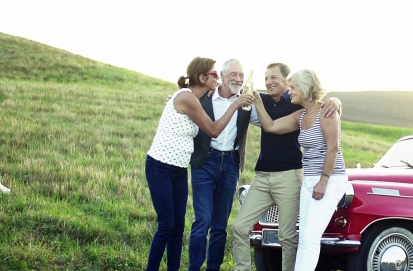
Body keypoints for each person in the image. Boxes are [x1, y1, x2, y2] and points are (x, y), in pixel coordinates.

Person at [145, 56, 253, 271]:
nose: (238, 79)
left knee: (177, 227)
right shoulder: (188, 97)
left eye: (242, 75)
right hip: (161, 166)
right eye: (214, 74)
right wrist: (235, 105)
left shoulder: (197, 97)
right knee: (168, 225)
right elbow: (212, 129)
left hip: (180, 169)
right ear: (203, 77)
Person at [231, 63, 341, 271]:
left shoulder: (298, 104)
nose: (269, 82)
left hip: (289, 176)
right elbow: (267, 123)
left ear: (287, 80)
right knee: (239, 227)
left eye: (274, 78)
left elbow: (325, 110)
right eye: (266, 78)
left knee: (288, 236)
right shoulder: (261, 99)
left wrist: (336, 101)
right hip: (262, 177)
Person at [188, 59, 256, 271]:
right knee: (202, 221)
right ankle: (194, 268)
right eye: (234, 74)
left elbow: (271, 115)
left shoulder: (247, 103)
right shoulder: (203, 98)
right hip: (205, 162)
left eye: (241, 75)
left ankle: (213, 268)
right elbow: (181, 102)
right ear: (223, 76)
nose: (238, 79)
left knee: (220, 225)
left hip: (230, 165)